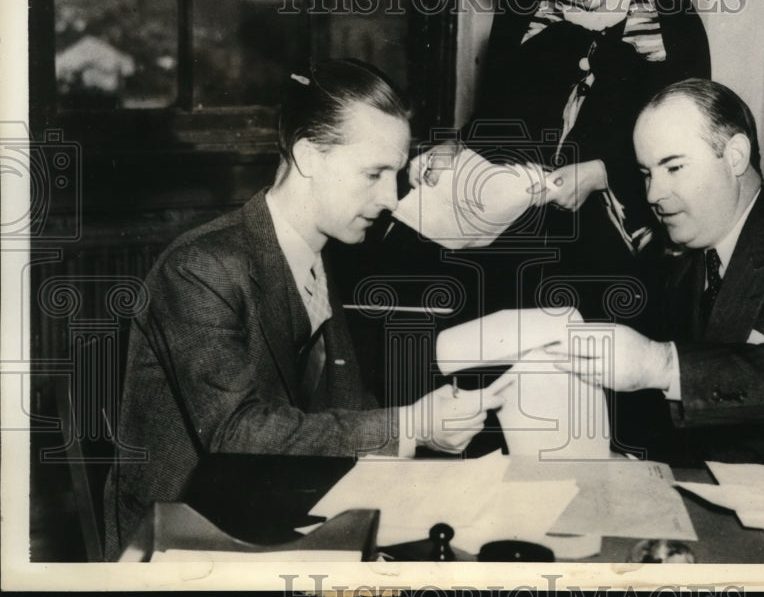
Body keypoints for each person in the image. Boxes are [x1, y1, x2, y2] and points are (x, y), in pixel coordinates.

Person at [103, 59, 509, 560]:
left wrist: (431, 430)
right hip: (184, 540)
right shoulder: (200, 268)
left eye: (397, 174)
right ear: (308, 157)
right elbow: (236, 432)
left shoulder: (315, 254)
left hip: (273, 513)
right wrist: (409, 425)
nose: (391, 197)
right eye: (374, 173)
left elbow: (346, 405)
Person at [409, 0, 711, 318]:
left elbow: (693, 149)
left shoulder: (672, 18)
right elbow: (494, 121)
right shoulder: (522, 10)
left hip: (627, 251)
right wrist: (457, 150)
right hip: (516, 239)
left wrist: (602, 173)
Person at [548, 79, 764, 465]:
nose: (654, 194)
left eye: (673, 167)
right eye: (646, 173)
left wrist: (662, 364)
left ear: (736, 156)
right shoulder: (673, 258)